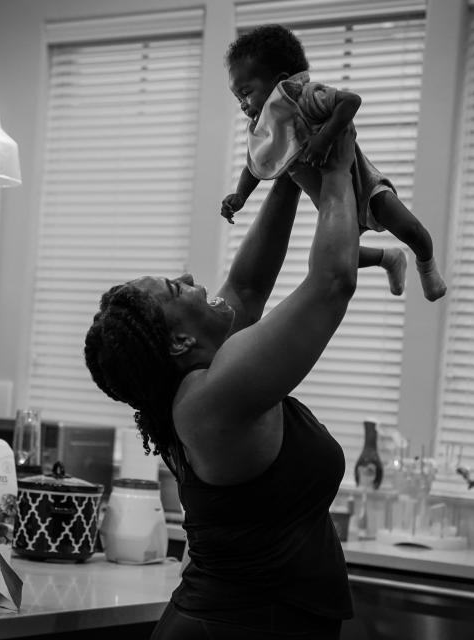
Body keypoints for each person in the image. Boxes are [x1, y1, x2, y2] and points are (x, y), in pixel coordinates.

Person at [84, 130, 364, 639]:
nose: (191, 277)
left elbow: (251, 284)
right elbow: (332, 283)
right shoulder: (209, 403)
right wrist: (337, 165)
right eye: (176, 289)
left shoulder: (205, 379)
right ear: (177, 343)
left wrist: (288, 166)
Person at [221, 24, 446, 302]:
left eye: (245, 92)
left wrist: (324, 138)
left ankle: (427, 266)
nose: (242, 104)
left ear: (279, 81)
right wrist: (240, 195)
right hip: (332, 205)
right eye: (237, 98)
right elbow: (255, 165)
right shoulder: (267, 129)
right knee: (335, 257)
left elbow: (350, 101)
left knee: (412, 230)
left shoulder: (305, 98)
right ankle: (389, 259)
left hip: (364, 188)